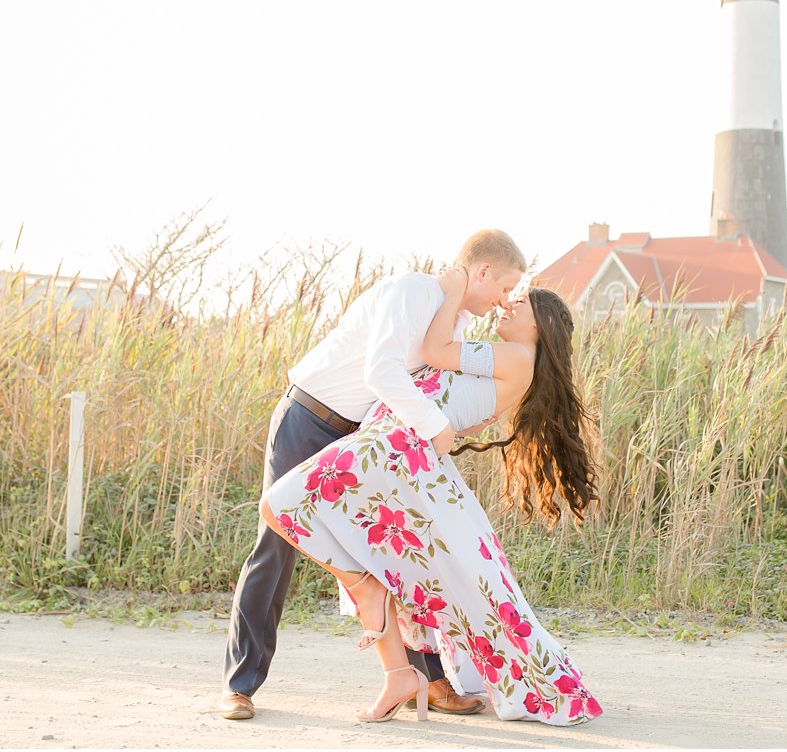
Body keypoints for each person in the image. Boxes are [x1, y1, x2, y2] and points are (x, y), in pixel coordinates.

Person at [258, 267, 603, 725]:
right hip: (397, 447)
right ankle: (398, 670)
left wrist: (456, 290)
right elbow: (446, 382)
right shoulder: (514, 359)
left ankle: (368, 595)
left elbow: (432, 351)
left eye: (520, 301)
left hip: (394, 447)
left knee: (280, 504)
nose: (508, 303)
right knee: (371, 551)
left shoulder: (518, 355)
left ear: (541, 324)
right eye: (506, 291)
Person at [217, 230, 527, 720]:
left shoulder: (455, 322)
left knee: (399, 547)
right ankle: (240, 685)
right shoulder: (414, 291)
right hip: (309, 416)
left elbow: (435, 380)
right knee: (276, 547)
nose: (504, 300)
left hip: (363, 438)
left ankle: (428, 679)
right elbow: (382, 372)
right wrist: (437, 426)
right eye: (505, 287)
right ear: (483, 271)